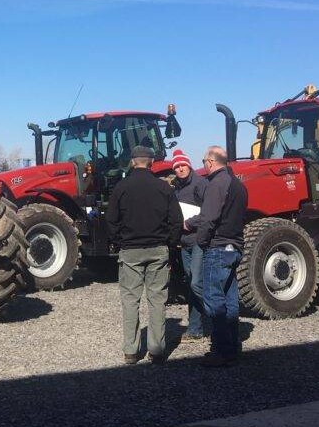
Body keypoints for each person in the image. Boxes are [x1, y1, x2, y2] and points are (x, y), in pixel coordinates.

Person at [106, 145, 183, 365]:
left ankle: (131, 351)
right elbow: (176, 221)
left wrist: (120, 241)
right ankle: (157, 351)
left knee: (130, 300)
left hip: (130, 250)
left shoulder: (121, 188)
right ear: (151, 163)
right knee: (157, 300)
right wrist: (169, 243)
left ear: (132, 162)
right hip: (158, 249)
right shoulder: (164, 188)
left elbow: (110, 220)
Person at [184, 146, 247, 367]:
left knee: (213, 300)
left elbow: (209, 218)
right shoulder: (238, 185)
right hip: (235, 247)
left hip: (218, 248)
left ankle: (220, 349)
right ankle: (233, 345)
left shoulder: (215, 184)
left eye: (203, 161)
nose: (203, 165)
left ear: (211, 162)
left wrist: (202, 241)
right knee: (230, 299)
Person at [170, 149, 208, 341]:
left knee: (196, 283)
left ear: (189, 165)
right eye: (177, 167)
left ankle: (216, 319)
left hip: (199, 240)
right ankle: (195, 328)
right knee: (191, 283)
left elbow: (209, 212)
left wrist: (189, 223)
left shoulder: (200, 184)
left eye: (183, 165)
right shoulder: (175, 188)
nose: (180, 169)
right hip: (184, 243)